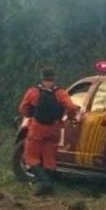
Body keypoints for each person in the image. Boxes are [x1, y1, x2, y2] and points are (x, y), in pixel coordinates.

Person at [17, 67, 80, 195]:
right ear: (54, 78)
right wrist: (70, 117)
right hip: (54, 128)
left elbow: (23, 108)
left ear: (42, 77)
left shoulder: (33, 92)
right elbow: (71, 107)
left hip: (37, 128)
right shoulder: (61, 92)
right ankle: (49, 186)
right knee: (49, 158)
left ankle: (45, 183)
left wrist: (30, 114)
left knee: (31, 157)